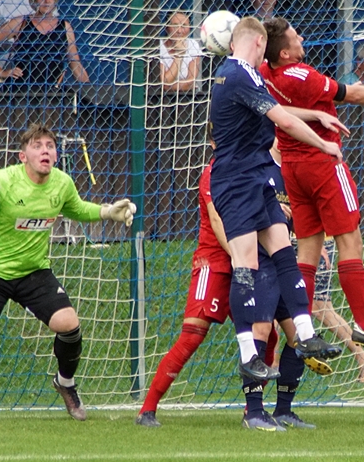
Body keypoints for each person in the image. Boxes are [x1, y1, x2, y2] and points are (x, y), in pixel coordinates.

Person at [207, 16, 344, 429]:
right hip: (236, 179)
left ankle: (304, 332)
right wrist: (322, 142)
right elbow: (282, 121)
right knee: (246, 265)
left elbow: (280, 110)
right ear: (258, 41)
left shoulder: (247, 74)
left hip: (260, 173)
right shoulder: (233, 73)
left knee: (286, 253)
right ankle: (249, 353)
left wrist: (317, 118)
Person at [0, 123, 137, 420]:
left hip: (34, 271)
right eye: (37, 146)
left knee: (69, 324)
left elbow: (76, 208)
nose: (45, 151)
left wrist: (106, 212)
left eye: (50, 146)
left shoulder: (61, 183)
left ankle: (65, 383)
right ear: (23, 156)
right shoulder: (3, 180)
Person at [136, 156, 318, 430]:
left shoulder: (254, 168)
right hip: (216, 264)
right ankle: (147, 409)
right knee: (192, 335)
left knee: (270, 334)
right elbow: (219, 220)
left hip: (249, 262)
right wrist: (238, 257)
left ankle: (261, 410)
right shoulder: (215, 171)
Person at [260, 17, 364, 353]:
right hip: (322, 163)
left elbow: (277, 107)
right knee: (350, 239)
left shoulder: (265, 74)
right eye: (296, 35)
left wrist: (310, 115)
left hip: (293, 168)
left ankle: (304, 329)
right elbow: (350, 93)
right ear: (285, 52)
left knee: (308, 248)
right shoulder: (301, 75)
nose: (301, 37)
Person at [0, 0, 90, 91]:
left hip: (51, 93)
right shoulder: (21, 22)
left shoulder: (65, 27)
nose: (46, 1)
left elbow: (75, 63)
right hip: (20, 91)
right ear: (34, 0)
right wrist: (1, 72)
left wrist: (89, 91)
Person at [310, 238, 364, 384]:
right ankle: (273, 366)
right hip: (279, 238)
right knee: (276, 306)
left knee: (320, 307)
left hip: (312, 240)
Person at [157, 11, 203, 93]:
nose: (179, 31)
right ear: (167, 27)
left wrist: (168, 86)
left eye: (184, 26)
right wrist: (179, 56)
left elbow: (190, 82)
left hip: (186, 97)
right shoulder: (158, 46)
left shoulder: (193, 45)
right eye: (175, 25)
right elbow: (164, 83)